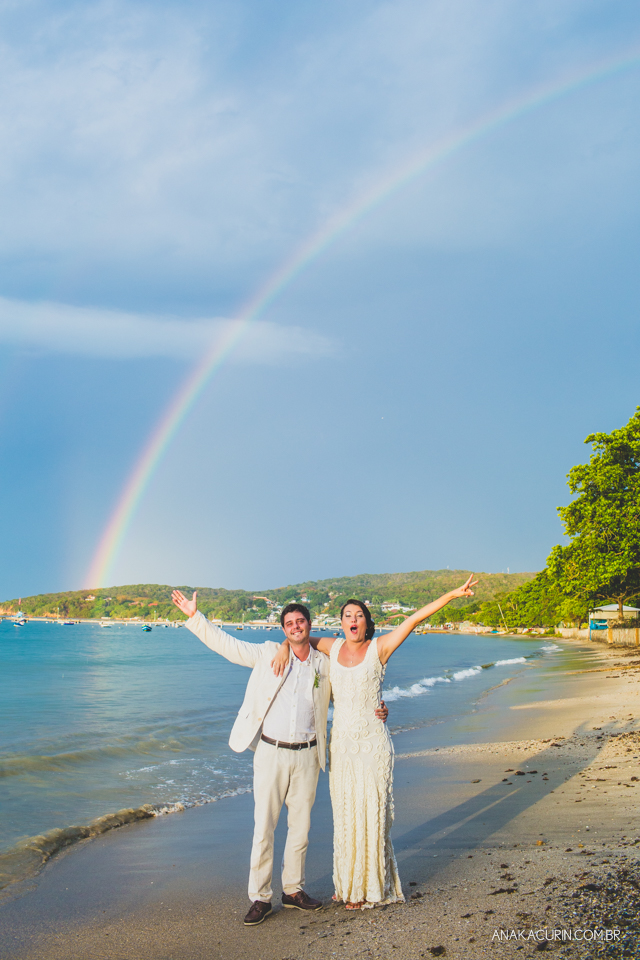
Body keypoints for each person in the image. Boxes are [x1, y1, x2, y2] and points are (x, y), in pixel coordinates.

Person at [170, 590, 388, 926]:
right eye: (289, 624)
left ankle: (293, 890)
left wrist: (378, 708)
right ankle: (260, 897)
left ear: (309, 625)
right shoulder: (267, 653)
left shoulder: (324, 663)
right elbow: (228, 646)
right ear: (283, 629)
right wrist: (195, 617)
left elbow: (354, 684)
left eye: (301, 621)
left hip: (309, 754)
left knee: (300, 828)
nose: (296, 627)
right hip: (271, 753)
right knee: (264, 828)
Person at [272, 574, 478, 910]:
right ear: (340, 623)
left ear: (367, 622)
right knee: (347, 815)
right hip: (341, 746)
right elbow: (299, 638)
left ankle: (370, 887)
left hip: (373, 743)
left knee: (373, 812)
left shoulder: (380, 647)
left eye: (359, 615)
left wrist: (453, 594)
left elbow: (413, 619)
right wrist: (283, 646)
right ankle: (348, 885)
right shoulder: (332, 646)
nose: (353, 620)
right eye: (347, 616)